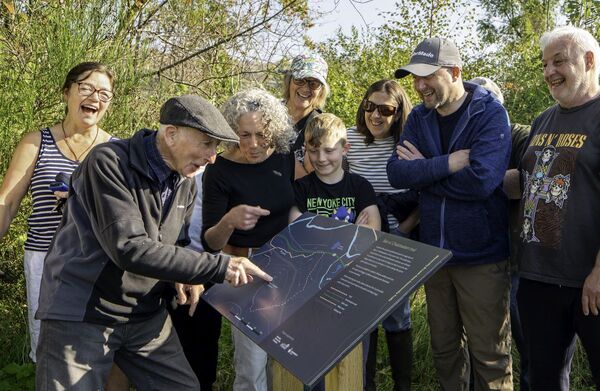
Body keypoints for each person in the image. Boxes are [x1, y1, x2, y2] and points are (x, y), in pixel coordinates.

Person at [35, 94, 272, 390]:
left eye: (216, 147)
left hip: (144, 314)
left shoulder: (186, 179)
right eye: (206, 143)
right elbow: (130, 248)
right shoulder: (108, 163)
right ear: (171, 134)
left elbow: (175, 243)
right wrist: (219, 266)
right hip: (83, 312)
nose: (213, 157)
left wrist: (185, 277)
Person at [387, 37, 513, 390]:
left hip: (480, 257)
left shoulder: (489, 114)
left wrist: (425, 172)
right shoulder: (419, 119)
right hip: (436, 257)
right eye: (414, 77)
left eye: (427, 75)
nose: (419, 85)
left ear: (455, 72)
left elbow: (482, 182)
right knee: (445, 352)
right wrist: (448, 163)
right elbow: (397, 172)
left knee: (489, 356)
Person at [504, 25, 600, 390]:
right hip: (537, 278)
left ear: (589, 60)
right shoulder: (544, 119)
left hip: (589, 282)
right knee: (543, 379)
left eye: (559, 61)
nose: (548, 72)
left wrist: (599, 273)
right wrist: (468, 175)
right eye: (544, 64)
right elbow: (529, 181)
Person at [0, 62, 116, 361]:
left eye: (104, 93)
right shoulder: (36, 142)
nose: (95, 98)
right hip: (45, 259)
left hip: (96, 261)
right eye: (86, 88)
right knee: (48, 349)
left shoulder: (118, 150)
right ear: (67, 92)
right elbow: (7, 203)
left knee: (94, 350)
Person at [201, 87, 296, 391]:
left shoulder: (286, 159)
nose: (253, 145)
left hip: (290, 266)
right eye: (244, 135)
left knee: (288, 358)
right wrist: (230, 220)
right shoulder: (218, 170)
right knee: (252, 364)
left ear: (274, 130)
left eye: (261, 134)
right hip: (245, 268)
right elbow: (211, 243)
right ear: (230, 131)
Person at [290, 112, 381, 391]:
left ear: (345, 148)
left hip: (352, 290)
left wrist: (317, 230)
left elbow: (371, 235)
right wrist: (350, 232)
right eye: (313, 150)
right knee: (313, 367)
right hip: (311, 292)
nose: (321, 158)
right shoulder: (299, 188)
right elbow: (295, 234)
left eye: (329, 150)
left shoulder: (360, 186)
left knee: (351, 369)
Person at [346, 79, 418, 391]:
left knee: (396, 314)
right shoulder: (348, 139)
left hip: (397, 239)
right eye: (370, 107)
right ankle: (366, 384)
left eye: (386, 109)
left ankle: (403, 385)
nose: (376, 115)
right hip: (357, 240)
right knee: (364, 315)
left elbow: (426, 193)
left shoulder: (408, 146)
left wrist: (403, 231)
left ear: (399, 112)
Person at [469, 76, 531, 391]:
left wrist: (479, 179)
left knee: (528, 341)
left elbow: (532, 179)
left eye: (487, 102)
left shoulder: (521, 135)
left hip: (520, 256)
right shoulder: (465, 139)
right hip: (482, 257)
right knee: (485, 341)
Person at [165, 165, 224, 391]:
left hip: (207, 269)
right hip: (168, 266)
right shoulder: (168, 169)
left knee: (203, 349)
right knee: (171, 353)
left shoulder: (220, 169)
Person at [283, 53, 330, 178]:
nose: (305, 88)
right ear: (289, 81)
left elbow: (317, 180)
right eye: (299, 80)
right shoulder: (266, 113)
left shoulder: (323, 127)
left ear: (321, 90)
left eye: (314, 84)